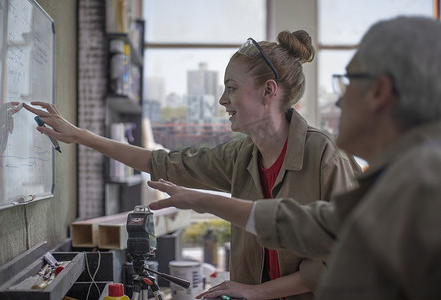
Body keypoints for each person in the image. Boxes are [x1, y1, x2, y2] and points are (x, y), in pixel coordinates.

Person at [23, 29, 360, 299]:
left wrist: (258, 293)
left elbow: (342, 260)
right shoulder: (240, 155)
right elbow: (163, 162)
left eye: (231, 88)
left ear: (268, 91)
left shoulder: (326, 158)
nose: (222, 100)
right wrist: (82, 136)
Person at [147, 16, 441, 300]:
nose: (338, 99)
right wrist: (199, 200)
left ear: (379, 91)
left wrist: (199, 201)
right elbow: (313, 225)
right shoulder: (402, 177)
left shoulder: (421, 184)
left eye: (347, 81)